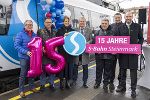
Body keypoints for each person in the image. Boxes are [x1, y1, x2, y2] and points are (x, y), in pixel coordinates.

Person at [116, 12, 143, 98]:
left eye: (130, 16)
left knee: (133, 72)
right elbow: (116, 40)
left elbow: (141, 38)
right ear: (124, 17)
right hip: (123, 54)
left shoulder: (137, 26)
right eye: (127, 16)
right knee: (123, 71)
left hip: (133, 53)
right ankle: (122, 86)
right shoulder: (120, 27)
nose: (128, 18)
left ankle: (133, 89)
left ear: (132, 17)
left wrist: (139, 47)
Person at [14, 20, 38, 98]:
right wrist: (26, 52)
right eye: (27, 25)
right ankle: (21, 90)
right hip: (24, 57)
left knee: (31, 73)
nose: (29, 26)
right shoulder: (20, 34)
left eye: (31, 25)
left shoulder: (35, 35)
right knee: (23, 74)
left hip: (33, 58)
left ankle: (31, 87)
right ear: (24, 25)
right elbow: (16, 46)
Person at [93, 19, 115, 92]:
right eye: (103, 23)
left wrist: (115, 50)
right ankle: (97, 83)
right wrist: (96, 50)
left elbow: (117, 44)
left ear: (108, 24)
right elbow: (93, 44)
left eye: (105, 23)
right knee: (99, 70)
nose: (104, 24)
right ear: (101, 24)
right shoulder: (97, 32)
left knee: (107, 71)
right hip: (99, 56)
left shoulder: (113, 33)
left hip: (109, 56)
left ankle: (105, 83)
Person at [72, 17, 92, 88]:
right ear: (78, 22)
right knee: (75, 68)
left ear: (85, 22)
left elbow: (91, 40)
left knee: (85, 68)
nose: (82, 23)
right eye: (80, 21)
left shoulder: (89, 30)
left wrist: (87, 42)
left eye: (83, 21)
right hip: (77, 53)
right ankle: (74, 80)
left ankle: (85, 82)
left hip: (85, 53)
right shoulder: (74, 30)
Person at [37, 18, 56, 92]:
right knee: (43, 70)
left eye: (50, 22)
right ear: (44, 23)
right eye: (47, 22)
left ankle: (51, 84)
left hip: (53, 54)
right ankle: (42, 85)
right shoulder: (40, 31)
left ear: (51, 23)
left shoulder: (55, 31)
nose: (48, 23)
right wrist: (41, 48)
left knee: (52, 69)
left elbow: (57, 41)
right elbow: (38, 41)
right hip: (44, 54)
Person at [56, 16, 75, 90]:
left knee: (69, 69)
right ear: (63, 22)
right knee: (62, 68)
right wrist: (63, 36)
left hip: (70, 53)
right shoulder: (59, 30)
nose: (66, 22)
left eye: (67, 21)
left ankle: (67, 82)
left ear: (69, 22)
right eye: (65, 21)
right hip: (62, 53)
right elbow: (57, 40)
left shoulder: (72, 31)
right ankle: (61, 82)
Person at [109, 13, 123, 91]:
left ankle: (120, 81)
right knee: (112, 66)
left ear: (121, 18)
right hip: (113, 50)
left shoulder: (124, 26)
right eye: (116, 18)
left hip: (121, 50)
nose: (117, 19)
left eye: (118, 18)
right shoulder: (111, 26)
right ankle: (111, 80)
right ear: (114, 18)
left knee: (122, 66)